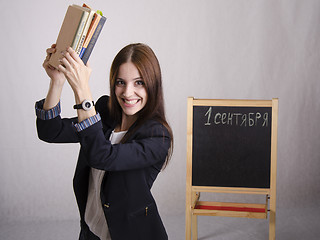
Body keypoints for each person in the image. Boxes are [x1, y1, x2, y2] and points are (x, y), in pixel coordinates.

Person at [35, 43, 173, 240]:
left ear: (153, 84)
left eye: (139, 83)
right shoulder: (104, 112)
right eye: (120, 82)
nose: (127, 93)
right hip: (90, 232)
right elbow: (51, 131)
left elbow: (102, 156)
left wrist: (82, 90)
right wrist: (57, 81)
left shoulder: (158, 136)